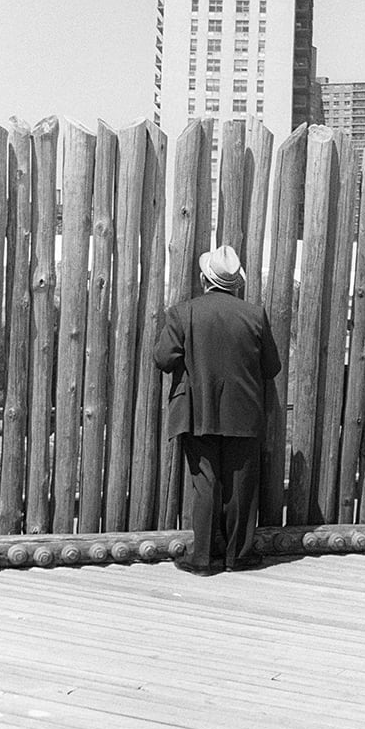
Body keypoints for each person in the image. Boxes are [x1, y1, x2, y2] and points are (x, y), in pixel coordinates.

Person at [154, 245, 281, 576]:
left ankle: (204, 558)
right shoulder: (255, 315)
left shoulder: (183, 313)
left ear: (203, 278)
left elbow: (163, 359)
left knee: (206, 483)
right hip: (245, 411)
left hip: (197, 411)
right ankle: (237, 556)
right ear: (236, 282)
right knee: (241, 487)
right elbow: (272, 367)